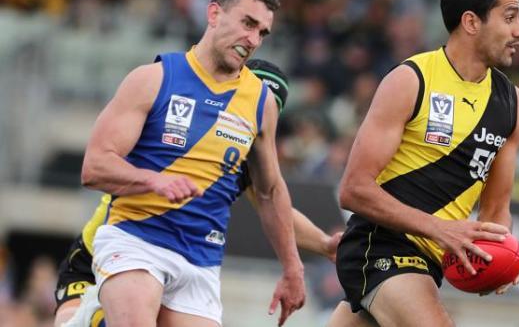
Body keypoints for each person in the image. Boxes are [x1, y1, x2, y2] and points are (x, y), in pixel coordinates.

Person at [77, 0, 304, 327]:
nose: (253, 39)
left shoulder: (261, 102)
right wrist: (153, 181)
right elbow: (94, 167)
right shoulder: (153, 78)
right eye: (248, 23)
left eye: (262, 32)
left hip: (201, 259)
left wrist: (293, 268)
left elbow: (270, 190)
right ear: (214, 14)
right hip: (136, 239)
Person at [53, 59, 342, 327]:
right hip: (104, 250)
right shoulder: (189, 131)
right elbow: (99, 165)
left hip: (173, 259)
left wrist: (324, 243)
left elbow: (279, 214)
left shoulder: (243, 162)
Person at [328, 0, 519, 327]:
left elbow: (497, 209)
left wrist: (501, 255)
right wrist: (441, 229)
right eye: (509, 17)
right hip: (380, 245)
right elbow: (353, 190)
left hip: (431, 262)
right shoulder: (411, 80)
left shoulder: (514, 105)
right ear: (471, 22)